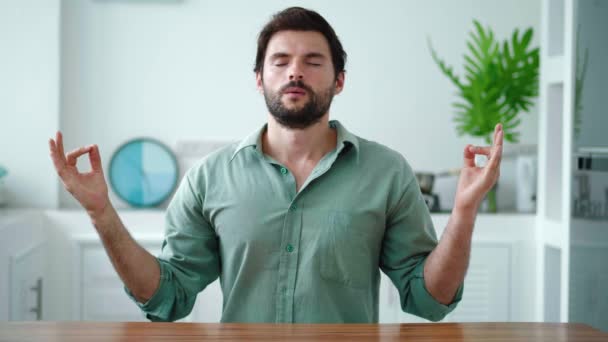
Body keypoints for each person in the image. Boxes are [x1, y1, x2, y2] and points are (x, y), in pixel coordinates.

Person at [49, 6, 503, 323]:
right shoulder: (210, 177)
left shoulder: (387, 173)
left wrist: (464, 211)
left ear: (339, 80)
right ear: (259, 78)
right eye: (281, 61)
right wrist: (101, 214)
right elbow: (167, 297)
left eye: (313, 61)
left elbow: (429, 300)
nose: (295, 72)